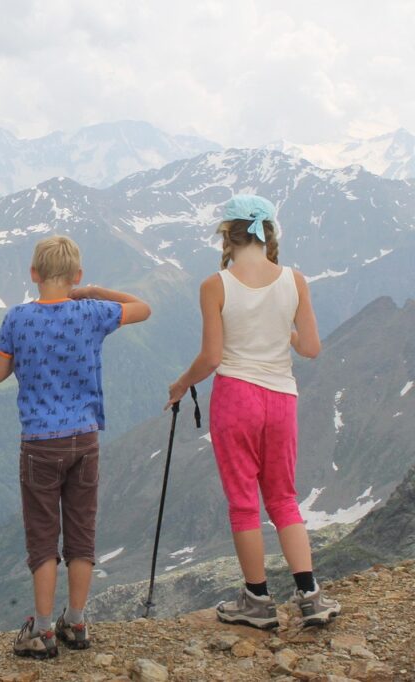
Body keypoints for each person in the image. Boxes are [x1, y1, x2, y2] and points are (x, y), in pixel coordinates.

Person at [166, 194, 341, 629]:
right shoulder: (295, 280)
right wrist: (287, 336)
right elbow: (312, 348)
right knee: (283, 497)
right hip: (281, 397)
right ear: (268, 234)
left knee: (244, 502)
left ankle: (258, 602)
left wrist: (181, 384)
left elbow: (211, 357)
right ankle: (310, 595)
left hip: (236, 396)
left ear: (228, 234)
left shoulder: (215, 285)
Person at [0, 235, 150, 658]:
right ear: (77, 276)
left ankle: (42, 631)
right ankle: (75, 622)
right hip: (86, 438)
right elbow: (143, 307)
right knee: (81, 534)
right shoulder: (92, 312)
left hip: (40, 443)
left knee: (43, 537)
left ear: (34, 274)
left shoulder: (17, 319)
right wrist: (97, 292)